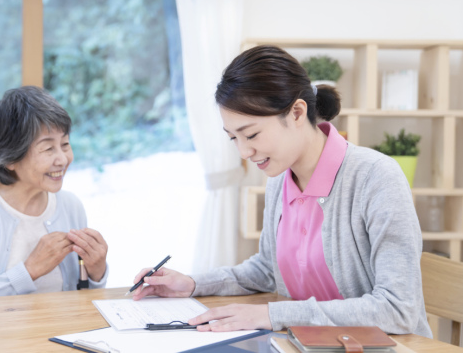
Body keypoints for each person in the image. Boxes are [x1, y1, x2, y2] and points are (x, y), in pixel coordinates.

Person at [132, 45, 432, 337]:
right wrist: (193, 284)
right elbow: (267, 269)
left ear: (297, 113)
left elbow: (398, 308)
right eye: (233, 138)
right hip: (307, 345)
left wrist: (273, 315)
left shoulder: (376, 177)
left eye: (251, 134)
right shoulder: (280, 175)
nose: (245, 151)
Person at [0, 86, 108, 300]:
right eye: (48, 149)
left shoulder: (71, 206)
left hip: (64, 333)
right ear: (10, 158)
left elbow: (83, 300)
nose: (63, 159)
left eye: (65, 144)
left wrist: (96, 271)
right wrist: (28, 271)